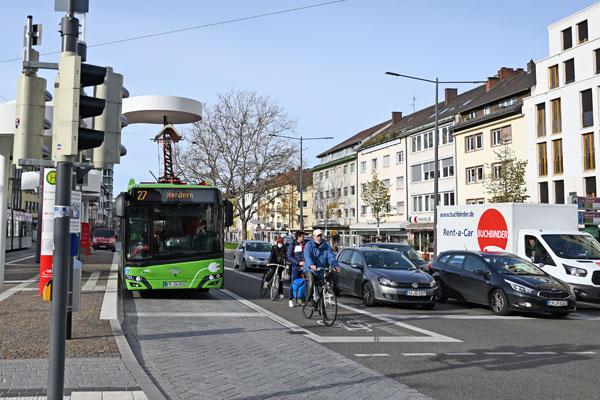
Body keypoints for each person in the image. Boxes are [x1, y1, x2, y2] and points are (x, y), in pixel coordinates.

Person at [303, 229, 340, 306]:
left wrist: (335, 265)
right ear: (314, 237)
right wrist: (311, 264)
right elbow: (307, 256)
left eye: (320, 236)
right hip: (309, 269)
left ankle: (323, 310)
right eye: (317, 236)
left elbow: (331, 257)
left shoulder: (326, 246)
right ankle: (308, 299)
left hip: (320, 269)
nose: (319, 238)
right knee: (311, 279)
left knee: (323, 286)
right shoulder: (308, 245)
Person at [287, 231, 306, 308]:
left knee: (305, 282)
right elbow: (289, 256)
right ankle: (290, 299)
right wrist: (298, 262)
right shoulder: (293, 244)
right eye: (302, 236)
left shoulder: (305, 244)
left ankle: (303, 298)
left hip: (305, 266)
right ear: (298, 237)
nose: (303, 238)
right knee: (294, 282)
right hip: (296, 266)